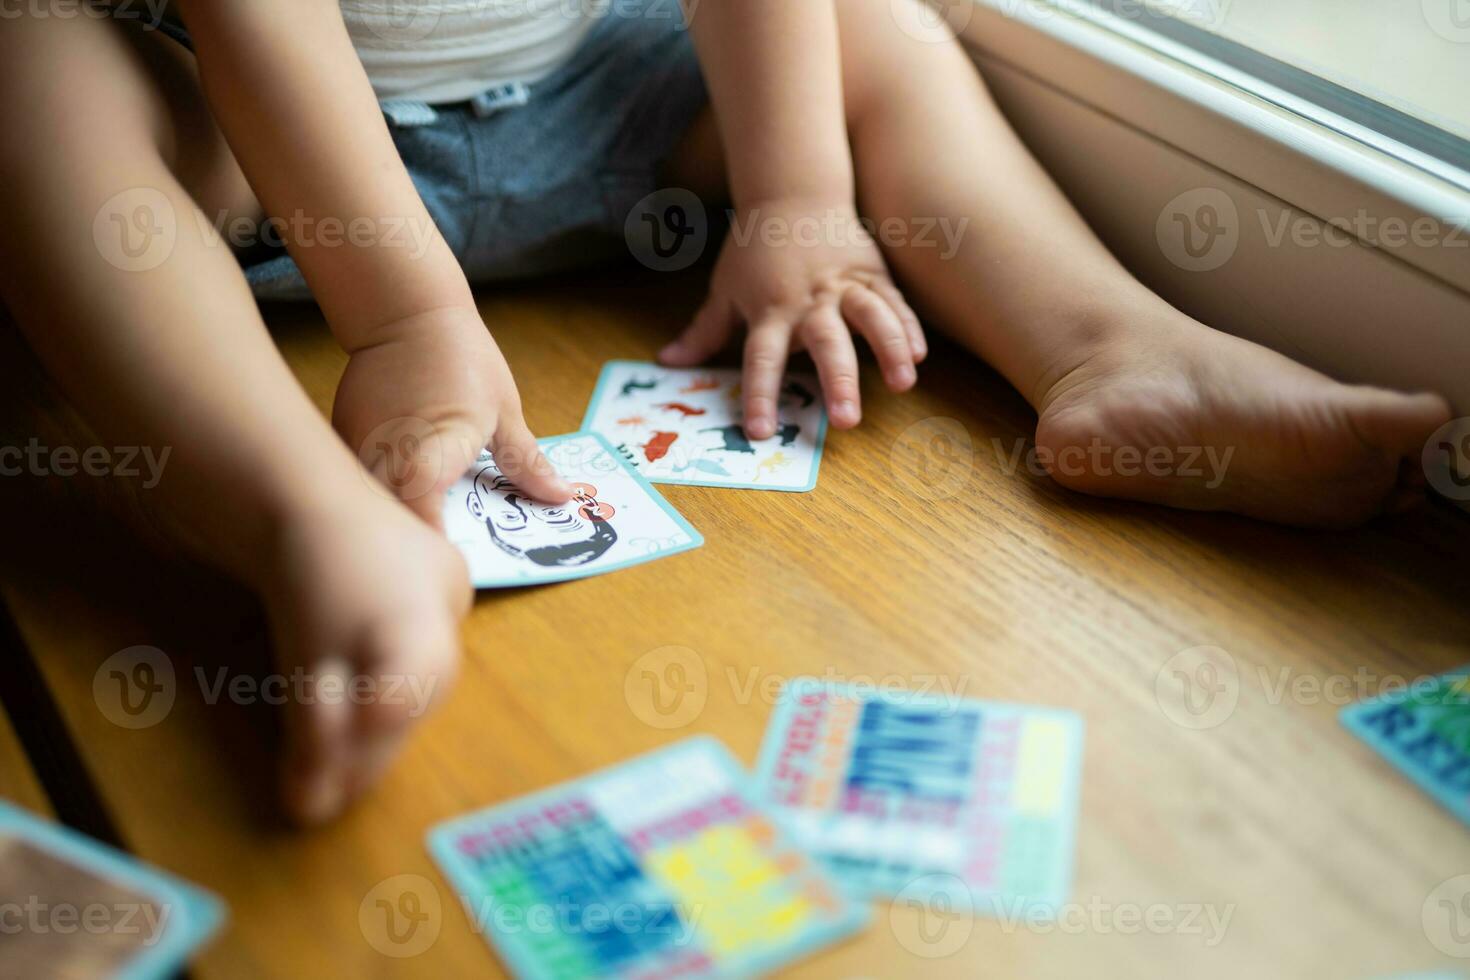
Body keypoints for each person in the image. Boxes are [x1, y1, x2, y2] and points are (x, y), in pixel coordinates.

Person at [0, 0, 1447, 823]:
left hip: (604, 100)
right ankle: (300, 514)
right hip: (264, 164)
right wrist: (406, 323)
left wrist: (798, 195)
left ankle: (1109, 344)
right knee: (32, 67)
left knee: (881, 28)